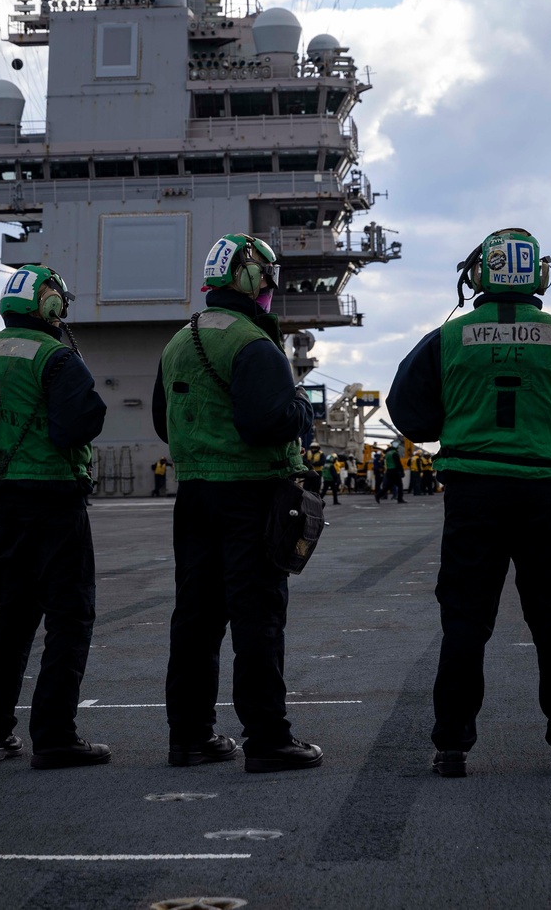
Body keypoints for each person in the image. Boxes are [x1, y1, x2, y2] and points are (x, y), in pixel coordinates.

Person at [387, 226, 551, 779]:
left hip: (473, 498)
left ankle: (451, 747)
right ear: (540, 275)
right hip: (545, 497)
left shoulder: (446, 339)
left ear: (478, 275)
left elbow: (411, 415)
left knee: (465, 622)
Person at [153, 232, 322, 774]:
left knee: (196, 620)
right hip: (250, 495)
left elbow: (163, 421)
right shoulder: (255, 343)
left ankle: (190, 737)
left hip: (195, 495)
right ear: (253, 281)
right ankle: (268, 739)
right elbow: (264, 423)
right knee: (258, 619)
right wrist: (303, 413)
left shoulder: (180, 340)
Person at [0, 265, 109, 770]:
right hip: (56, 502)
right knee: (69, 618)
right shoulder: (57, 357)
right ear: (51, 306)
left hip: (6, 506)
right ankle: (55, 736)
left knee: (11, 619)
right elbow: (79, 426)